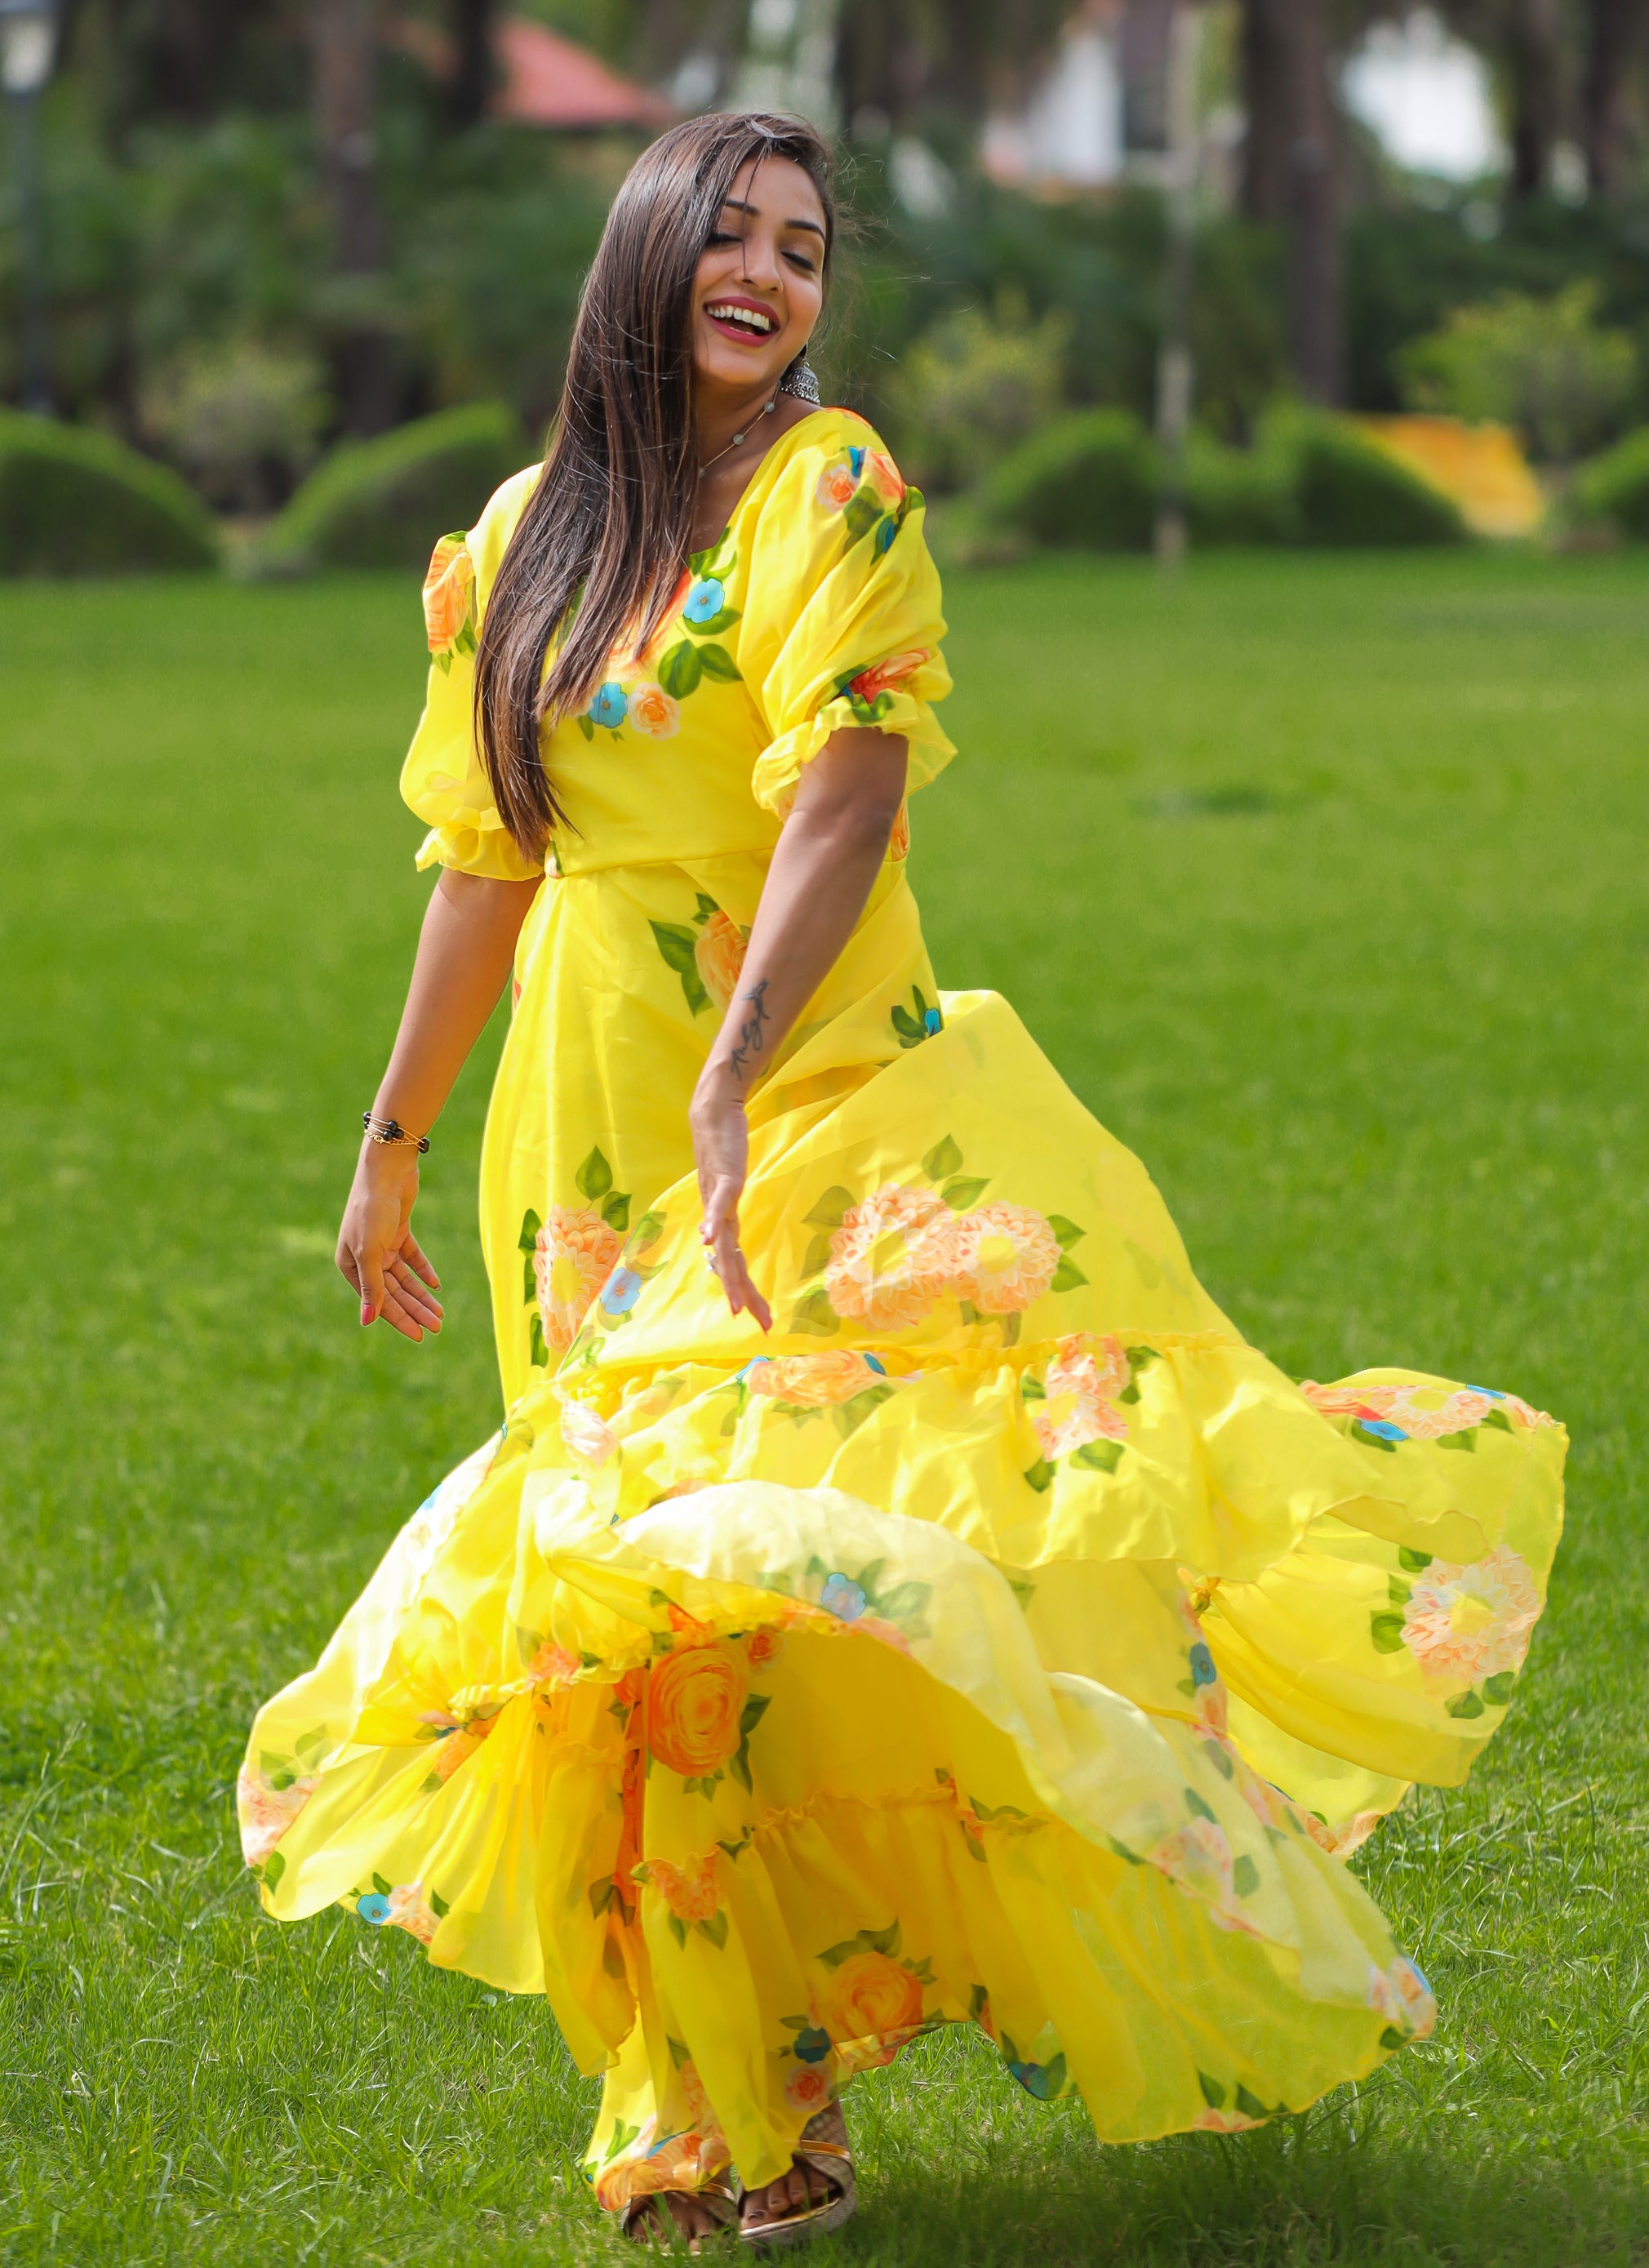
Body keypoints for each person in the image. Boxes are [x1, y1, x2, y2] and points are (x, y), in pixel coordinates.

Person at [239, 111, 1566, 2249]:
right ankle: (713, 2110)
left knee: (813, 1583)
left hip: (817, 1100)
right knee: (631, 1629)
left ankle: (803, 2062)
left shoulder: (827, 485)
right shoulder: (512, 538)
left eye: (805, 246)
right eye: (733, 234)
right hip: (579, 1143)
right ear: (648, 252)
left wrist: (740, 1079)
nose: (770, 274)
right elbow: (485, 858)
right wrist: (389, 1133)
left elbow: (845, 794)